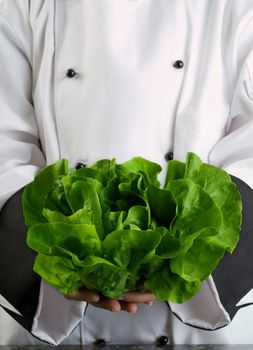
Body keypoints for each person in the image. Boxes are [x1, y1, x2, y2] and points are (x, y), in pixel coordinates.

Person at [1, 0, 253, 346]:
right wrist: (64, 265)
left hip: (195, 330)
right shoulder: (24, 5)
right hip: (63, 320)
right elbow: (5, 143)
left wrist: (179, 261)